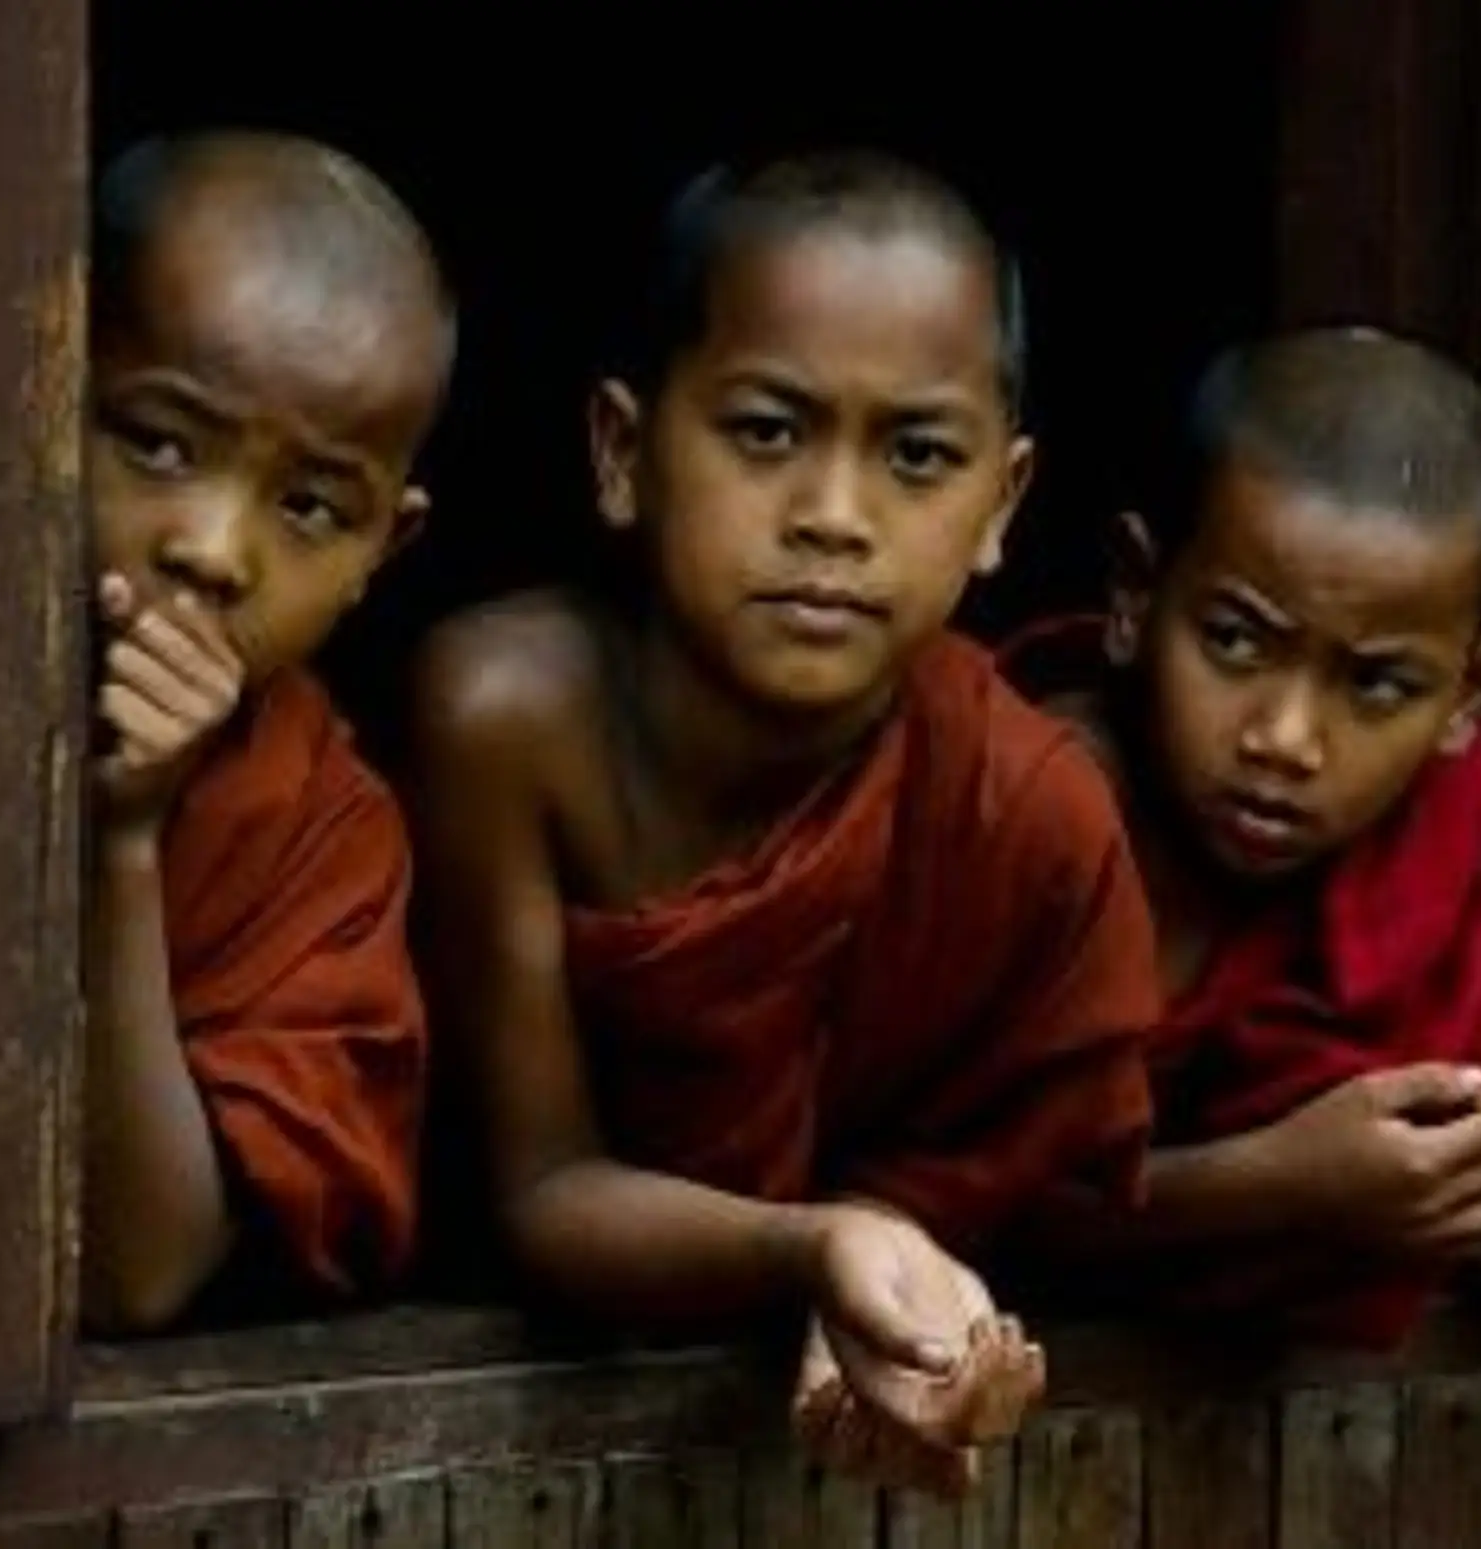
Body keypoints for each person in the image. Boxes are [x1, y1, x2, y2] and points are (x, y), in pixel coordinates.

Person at [405, 150, 1160, 1491]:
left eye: (918, 455)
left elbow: (1058, 1194)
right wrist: (814, 1248)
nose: (833, 517)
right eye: (766, 430)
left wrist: (891, 1282)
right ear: (624, 451)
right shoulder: (508, 720)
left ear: (1003, 505)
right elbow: (539, 1193)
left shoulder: (1032, 812)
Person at [1003, 327, 1481, 1349]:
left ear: (1471, 689)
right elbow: (927, 1196)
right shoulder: (1026, 805)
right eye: (1233, 640)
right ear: (1136, 590)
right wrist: (1280, 1182)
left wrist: (1438, 1184)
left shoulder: (1469, 818)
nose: (1285, 739)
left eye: (1378, 684)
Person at [83, 130, 455, 1333]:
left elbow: (133, 1272)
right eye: (155, 442)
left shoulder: (327, 835)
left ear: (380, 554)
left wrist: (123, 847)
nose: (213, 547)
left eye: (308, 507)